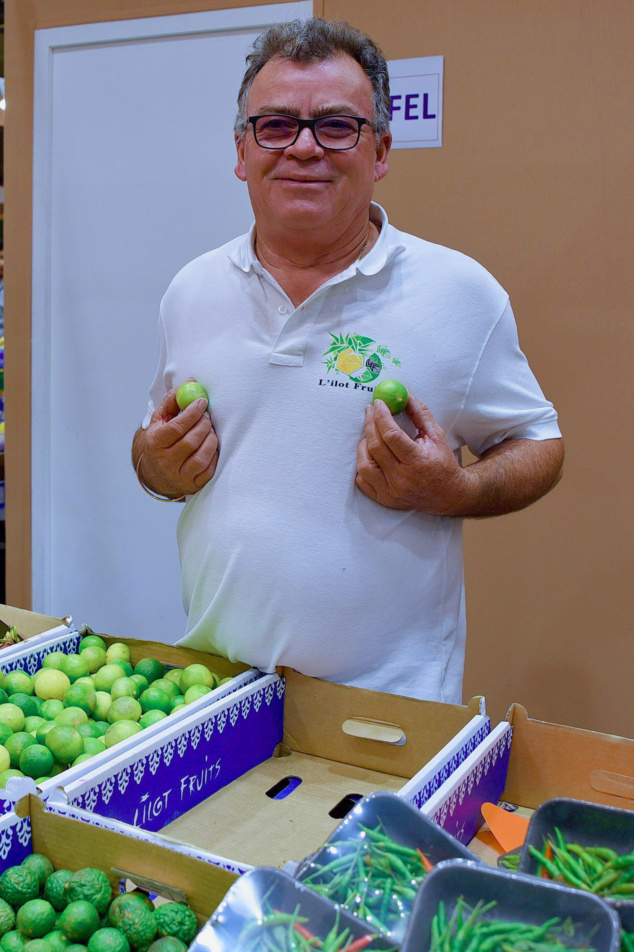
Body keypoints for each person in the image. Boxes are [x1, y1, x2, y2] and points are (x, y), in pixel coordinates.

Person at [132, 18, 564, 703]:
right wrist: (156, 471)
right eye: (276, 125)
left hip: (389, 703)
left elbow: (539, 442)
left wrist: (457, 491)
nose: (303, 147)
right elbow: (151, 447)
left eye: (336, 126)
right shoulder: (192, 290)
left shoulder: (459, 293)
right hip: (214, 684)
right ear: (242, 151)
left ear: (381, 150)